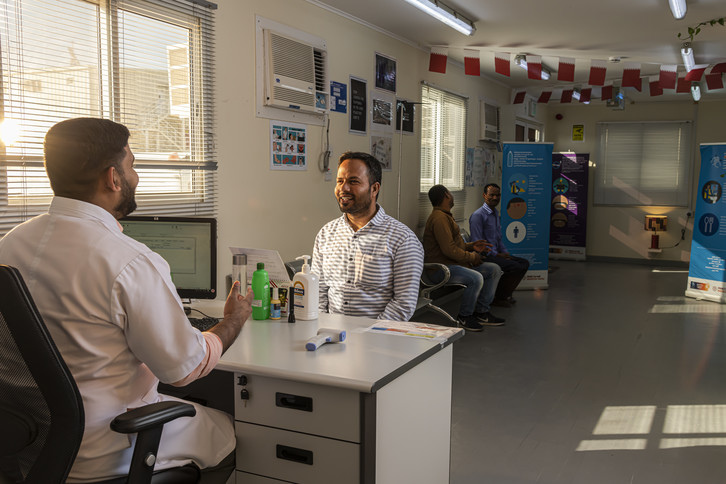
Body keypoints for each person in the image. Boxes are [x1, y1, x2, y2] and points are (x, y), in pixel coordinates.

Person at [0, 118, 253, 483]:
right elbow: (185, 370)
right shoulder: (129, 261)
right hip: (105, 449)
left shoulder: (11, 243)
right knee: (232, 429)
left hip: (27, 445)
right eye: (131, 165)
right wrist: (233, 319)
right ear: (113, 178)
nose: (135, 176)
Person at [311, 151, 423, 321]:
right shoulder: (326, 234)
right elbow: (318, 291)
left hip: (377, 340)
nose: (344, 188)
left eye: (353, 181)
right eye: (340, 181)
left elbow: (403, 304)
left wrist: (366, 335)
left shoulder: (403, 240)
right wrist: (322, 327)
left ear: (374, 188)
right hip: (330, 335)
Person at [423, 185, 505, 332]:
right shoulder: (439, 218)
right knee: (476, 278)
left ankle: (482, 313)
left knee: (494, 269)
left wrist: (472, 246)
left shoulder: (445, 215)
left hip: (453, 263)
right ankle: (464, 317)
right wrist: (472, 257)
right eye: (450, 193)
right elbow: (449, 250)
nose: (452, 196)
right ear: (446, 196)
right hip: (441, 269)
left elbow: (454, 246)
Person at [469, 183, 530, 307]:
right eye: (492, 195)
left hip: (497, 254)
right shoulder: (478, 216)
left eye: (498, 195)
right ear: (484, 195)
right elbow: (478, 244)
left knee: (524, 263)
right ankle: (499, 297)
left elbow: (498, 238)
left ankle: (503, 294)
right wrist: (497, 255)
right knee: (514, 267)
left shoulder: (495, 213)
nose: (495, 198)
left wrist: (505, 252)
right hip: (485, 255)